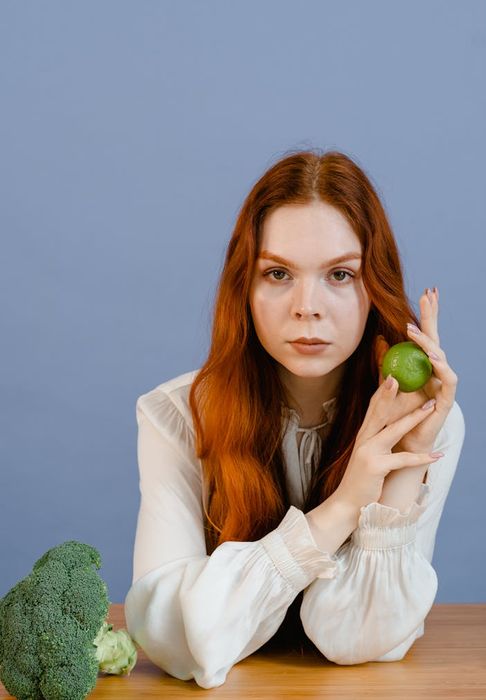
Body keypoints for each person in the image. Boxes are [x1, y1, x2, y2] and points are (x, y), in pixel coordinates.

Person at [124, 149, 465, 689]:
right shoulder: (175, 415)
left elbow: (359, 639)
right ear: (245, 288)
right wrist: (347, 503)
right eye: (278, 273)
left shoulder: (428, 417)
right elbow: (170, 635)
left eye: (339, 274)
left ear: (374, 285)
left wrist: (401, 468)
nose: (307, 306)